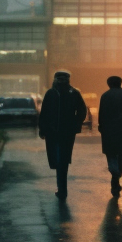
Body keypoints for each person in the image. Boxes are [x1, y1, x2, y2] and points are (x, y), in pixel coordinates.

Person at [38, 70, 87, 200]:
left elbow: (82, 111)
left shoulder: (57, 93)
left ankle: (62, 189)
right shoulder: (64, 93)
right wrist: (76, 125)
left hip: (60, 132)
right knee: (59, 160)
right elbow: (44, 113)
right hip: (57, 132)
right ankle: (61, 188)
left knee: (61, 160)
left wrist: (75, 125)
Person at [98, 75, 122, 197]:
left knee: (111, 153)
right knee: (121, 154)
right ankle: (117, 176)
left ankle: (114, 174)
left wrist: (101, 127)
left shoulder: (105, 96)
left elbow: (102, 114)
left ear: (109, 84)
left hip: (109, 130)